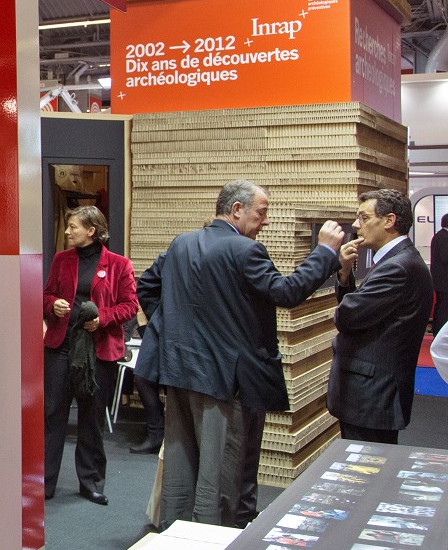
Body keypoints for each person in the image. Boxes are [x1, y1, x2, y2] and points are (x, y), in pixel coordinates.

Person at [136, 180, 343, 528]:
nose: (266, 222)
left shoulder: (182, 243)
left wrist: (175, 332)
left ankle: (172, 538)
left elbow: (147, 285)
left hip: (180, 370)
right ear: (236, 210)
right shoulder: (246, 251)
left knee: (181, 462)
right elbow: (287, 292)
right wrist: (324, 252)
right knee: (221, 471)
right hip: (225, 381)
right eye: (261, 213)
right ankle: (214, 545)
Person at [42, 206, 138, 505]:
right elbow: (45, 294)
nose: (67, 231)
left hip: (99, 353)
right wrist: (52, 304)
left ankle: (91, 481)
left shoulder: (119, 265)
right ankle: (44, 482)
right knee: (51, 415)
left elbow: (130, 305)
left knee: (91, 419)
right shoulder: (61, 260)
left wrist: (103, 319)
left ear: (91, 231)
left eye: (73, 227)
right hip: (61, 348)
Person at [328, 189, 434, 444]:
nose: (356, 225)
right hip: (371, 393)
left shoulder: (398, 267)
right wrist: (344, 274)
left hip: (373, 395)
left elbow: (348, 317)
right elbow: (360, 314)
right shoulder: (397, 261)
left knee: (365, 472)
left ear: (389, 221)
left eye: (363, 218)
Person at [431, 214, 448, 343]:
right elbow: (445, 257)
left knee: (441, 306)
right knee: (443, 308)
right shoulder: (443, 237)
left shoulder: (439, 236)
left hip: (440, 280)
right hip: (444, 281)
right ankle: (440, 332)